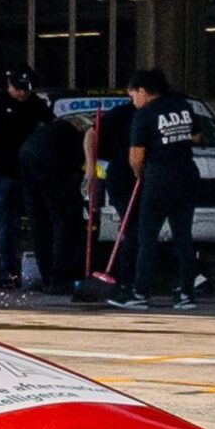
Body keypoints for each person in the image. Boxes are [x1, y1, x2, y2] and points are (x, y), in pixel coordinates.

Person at [112, 69, 202, 311]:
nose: (133, 101)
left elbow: (135, 156)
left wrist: (139, 172)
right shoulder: (183, 106)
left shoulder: (144, 115)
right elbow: (197, 135)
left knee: (147, 236)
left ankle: (140, 292)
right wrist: (174, 141)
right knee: (183, 236)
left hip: (160, 178)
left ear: (142, 91)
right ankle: (186, 294)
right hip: (187, 174)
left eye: (133, 96)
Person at [0, 68, 54, 289]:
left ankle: (7, 272)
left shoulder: (34, 104)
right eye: (19, 89)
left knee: (10, 225)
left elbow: (53, 125)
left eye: (26, 89)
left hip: (21, 173)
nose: (23, 94)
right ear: (9, 84)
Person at [18, 110, 87, 293]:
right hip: (51, 158)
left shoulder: (55, 129)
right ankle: (60, 279)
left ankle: (48, 278)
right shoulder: (88, 131)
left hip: (29, 153)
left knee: (39, 221)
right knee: (65, 220)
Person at [87, 92, 139, 291]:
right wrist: (91, 168)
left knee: (136, 228)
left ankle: (131, 278)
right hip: (121, 178)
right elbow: (91, 135)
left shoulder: (152, 113)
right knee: (132, 227)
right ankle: (126, 280)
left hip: (142, 180)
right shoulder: (121, 114)